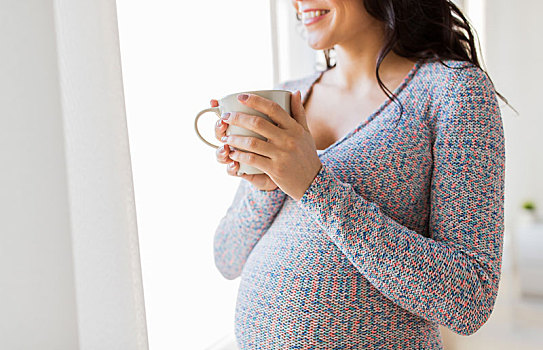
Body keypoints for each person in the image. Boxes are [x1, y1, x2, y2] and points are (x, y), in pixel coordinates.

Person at [211, 0, 506, 348]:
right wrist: (270, 184)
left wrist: (315, 186)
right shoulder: (287, 98)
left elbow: (470, 299)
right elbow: (228, 258)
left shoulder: (454, 90)